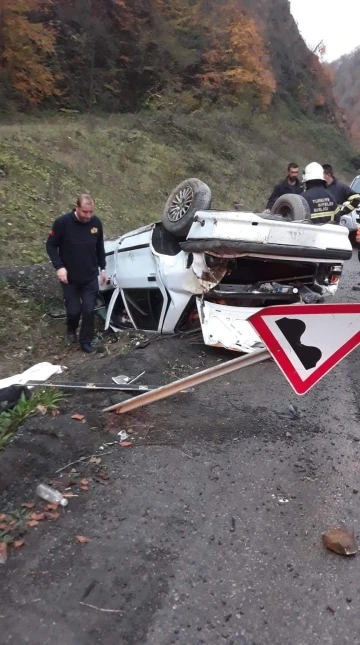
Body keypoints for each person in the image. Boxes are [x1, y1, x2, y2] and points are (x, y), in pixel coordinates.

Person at [46, 194, 107, 353]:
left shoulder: (96, 223)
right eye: (84, 212)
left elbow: (100, 247)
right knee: (74, 311)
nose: (88, 216)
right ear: (76, 207)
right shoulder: (62, 223)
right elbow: (51, 246)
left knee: (89, 309)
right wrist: (59, 267)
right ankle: (71, 328)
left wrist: (103, 268)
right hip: (70, 278)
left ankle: (85, 342)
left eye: (91, 212)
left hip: (90, 276)